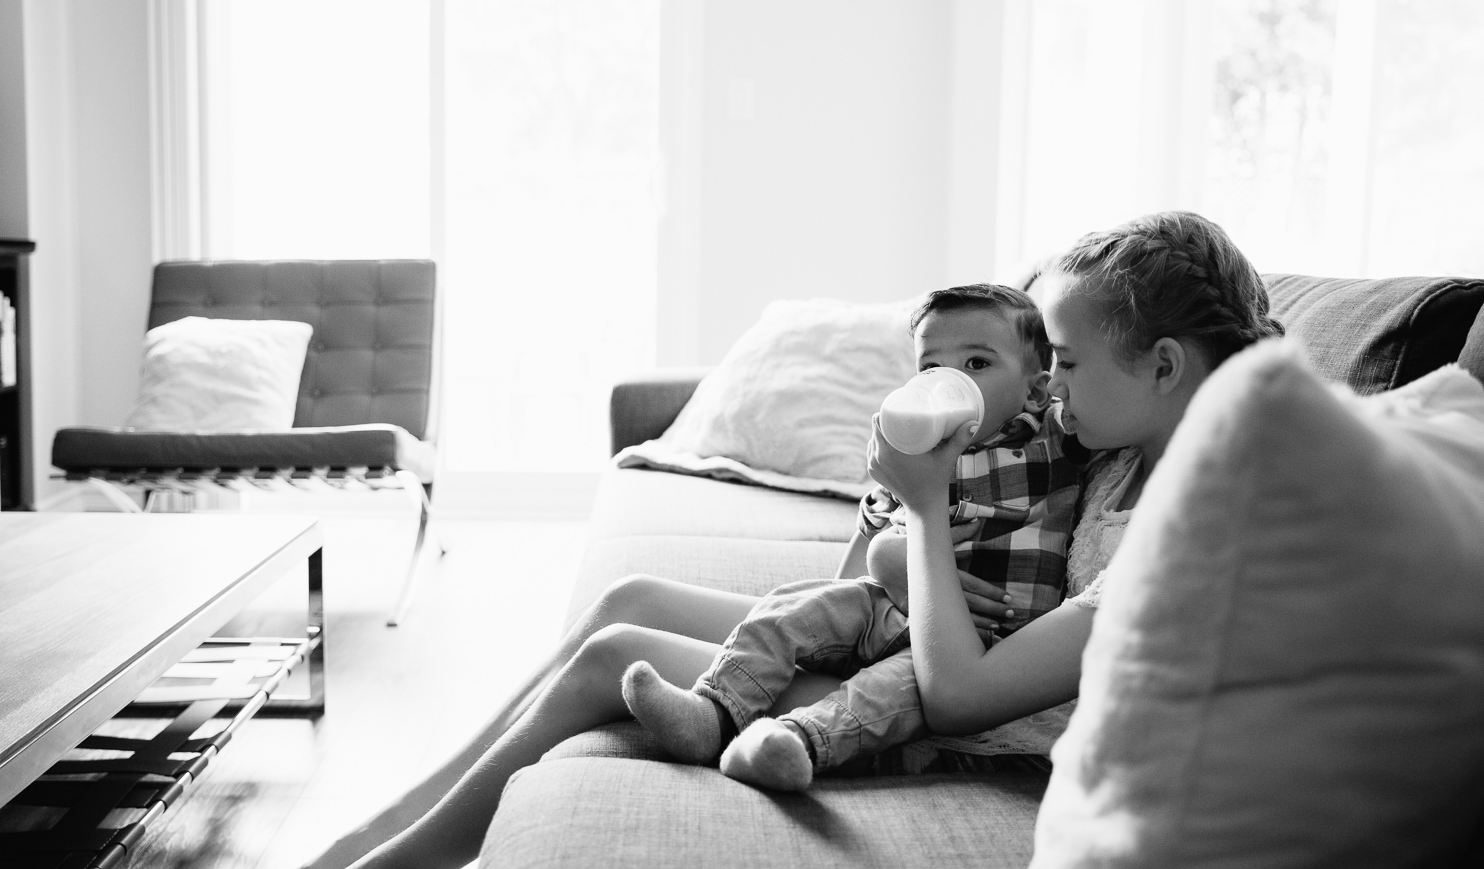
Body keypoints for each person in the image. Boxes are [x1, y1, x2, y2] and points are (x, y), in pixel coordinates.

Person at [305, 210, 1281, 869]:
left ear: (1161, 365)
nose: (1053, 390)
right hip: (938, 651)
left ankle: (402, 856)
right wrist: (891, 504)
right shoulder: (1111, 451)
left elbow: (961, 693)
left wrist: (929, 510)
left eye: (1064, 363)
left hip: (975, 723)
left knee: (617, 653)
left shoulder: (1189, 519)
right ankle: (390, 825)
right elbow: (871, 580)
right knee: (630, 599)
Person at [619, 283, 1084, 790]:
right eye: (931, 368)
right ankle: (713, 711)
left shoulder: (1054, 441)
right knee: (790, 607)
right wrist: (883, 510)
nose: (948, 382)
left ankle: (790, 743)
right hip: (886, 610)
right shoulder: (920, 452)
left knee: (887, 692)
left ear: (1036, 391)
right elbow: (853, 570)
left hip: (971, 647)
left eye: (976, 364)